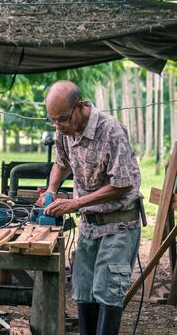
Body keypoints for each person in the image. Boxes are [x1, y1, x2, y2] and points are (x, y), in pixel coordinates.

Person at [40, 80, 141, 335]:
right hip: (89, 225)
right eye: (52, 120)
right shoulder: (63, 133)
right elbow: (61, 164)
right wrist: (51, 190)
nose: (58, 126)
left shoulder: (111, 131)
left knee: (108, 292)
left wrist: (74, 203)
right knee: (84, 292)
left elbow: (122, 184)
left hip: (118, 225)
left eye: (62, 118)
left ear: (81, 106)